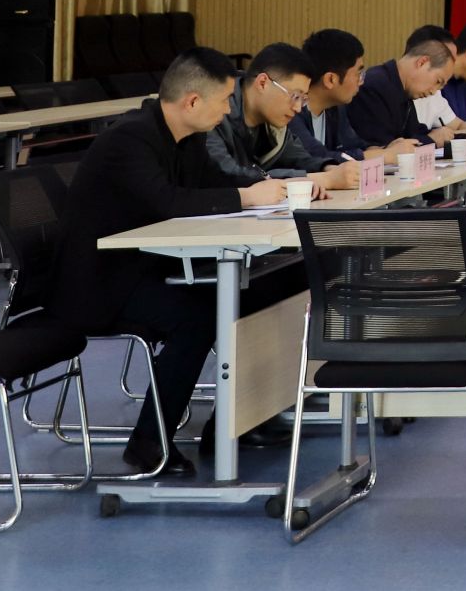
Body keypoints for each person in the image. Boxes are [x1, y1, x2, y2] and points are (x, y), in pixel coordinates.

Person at [51, 49, 285, 476]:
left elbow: (219, 183)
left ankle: (235, 422)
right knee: (197, 316)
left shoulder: (187, 138)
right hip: (98, 284)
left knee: (257, 290)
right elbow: (169, 203)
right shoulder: (130, 139)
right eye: (224, 100)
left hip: (145, 268)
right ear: (192, 101)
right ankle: (148, 443)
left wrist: (278, 189)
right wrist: (248, 197)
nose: (228, 110)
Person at [202, 42, 360, 190]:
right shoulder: (212, 111)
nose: (298, 108)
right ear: (262, 83)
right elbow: (229, 175)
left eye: (303, 99)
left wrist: (328, 168)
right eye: (295, 96)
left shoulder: (273, 125)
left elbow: (299, 158)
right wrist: (323, 180)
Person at [290, 28, 409, 164]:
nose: (361, 81)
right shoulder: (292, 110)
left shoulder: (335, 108)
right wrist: (383, 155)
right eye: (358, 74)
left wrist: (387, 149)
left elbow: (354, 146)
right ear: (330, 80)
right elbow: (315, 156)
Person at [344, 31, 456, 150]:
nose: (433, 92)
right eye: (437, 81)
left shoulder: (402, 89)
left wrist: (440, 135)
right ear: (422, 62)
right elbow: (383, 147)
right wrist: (431, 140)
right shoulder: (374, 87)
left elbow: (414, 132)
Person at [404, 24, 466, 137]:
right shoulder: (394, 92)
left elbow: (457, 125)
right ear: (422, 62)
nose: (435, 90)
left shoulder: (436, 91)